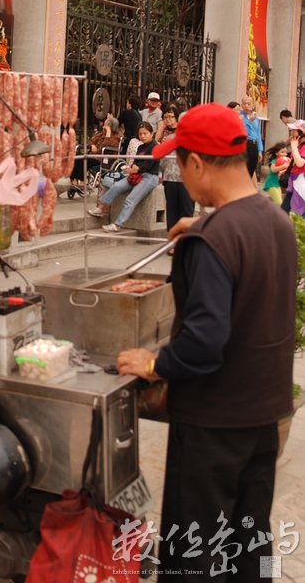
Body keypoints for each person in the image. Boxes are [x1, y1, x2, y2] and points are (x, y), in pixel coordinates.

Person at [116, 103, 297, 578]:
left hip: (214, 426)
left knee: (192, 559)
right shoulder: (276, 220)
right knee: (246, 546)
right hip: (265, 416)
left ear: (197, 164)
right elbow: (247, 251)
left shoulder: (214, 238)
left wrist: (153, 364)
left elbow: (203, 342)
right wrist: (204, 228)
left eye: (179, 162)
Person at [88, 121, 159, 233]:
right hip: (136, 174)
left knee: (130, 199)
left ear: (152, 133)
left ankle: (117, 224)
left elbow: (148, 164)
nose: (142, 136)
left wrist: (136, 169)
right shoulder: (141, 147)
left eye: (145, 133)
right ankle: (100, 207)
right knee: (117, 186)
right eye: (140, 134)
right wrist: (133, 168)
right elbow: (136, 161)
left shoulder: (155, 146)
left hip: (149, 177)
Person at [157, 107, 194, 231]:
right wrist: (160, 174)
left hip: (188, 179)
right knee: (172, 210)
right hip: (170, 178)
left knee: (186, 209)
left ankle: (184, 238)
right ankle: (173, 239)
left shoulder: (196, 139)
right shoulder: (169, 138)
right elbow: (163, 159)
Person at [70, 117, 120, 191]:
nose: (103, 127)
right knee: (77, 157)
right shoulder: (101, 134)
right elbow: (91, 141)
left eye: (105, 126)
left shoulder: (116, 138)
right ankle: (74, 180)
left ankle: (82, 182)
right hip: (94, 157)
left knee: (84, 160)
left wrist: (108, 133)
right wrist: (92, 145)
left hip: (103, 160)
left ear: (110, 127)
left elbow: (106, 145)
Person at [283, 120, 305, 217]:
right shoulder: (299, 145)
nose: (291, 132)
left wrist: (294, 148)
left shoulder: (301, 146)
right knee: (284, 208)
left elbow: (300, 163)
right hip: (295, 181)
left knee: (302, 210)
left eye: (294, 130)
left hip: (301, 181)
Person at [239, 94, 262, 177]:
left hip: (254, 145)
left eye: (249, 104)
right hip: (244, 144)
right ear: (241, 105)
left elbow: (258, 133)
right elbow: (243, 132)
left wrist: (260, 150)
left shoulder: (255, 118)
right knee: (243, 171)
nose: (246, 106)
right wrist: (249, 122)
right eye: (244, 104)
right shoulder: (240, 117)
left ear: (253, 106)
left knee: (251, 171)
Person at [262, 142, 290, 206]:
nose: (284, 154)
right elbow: (273, 170)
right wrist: (284, 166)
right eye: (282, 152)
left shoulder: (285, 161)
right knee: (279, 203)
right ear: (276, 153)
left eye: (285, 152)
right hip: (271, 184)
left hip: (277, 184)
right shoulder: (274, 161)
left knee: (279, 203)